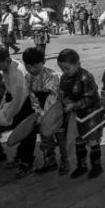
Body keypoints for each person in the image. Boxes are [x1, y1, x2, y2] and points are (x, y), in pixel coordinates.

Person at [0, 45, 35, 177]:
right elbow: (9, 93)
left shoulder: (16, 73)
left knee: (26, 133)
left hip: (27, 104)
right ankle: (20, 157)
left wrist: (5, 115)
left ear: (6, 60)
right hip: (19, 101)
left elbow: (18, 99)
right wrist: (2, 108)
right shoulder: (8, 68)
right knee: (21, 131)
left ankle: (27, 163)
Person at [56, 48, 103, 179]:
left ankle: (96, 166)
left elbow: (90, 98)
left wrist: (74, 105)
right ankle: (81, 166)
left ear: (78, 64)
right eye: (62, 69)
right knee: (78, 140)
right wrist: (64, 100)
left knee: (92, 139)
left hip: (90, 112)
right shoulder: (64, 78)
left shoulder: (85, 77)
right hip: (75, 113)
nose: (64, 72)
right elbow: (62, 92)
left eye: (67, 68)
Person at [23, 46, 62, 174]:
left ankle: (67, 161)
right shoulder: (28, 77)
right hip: (40, 109)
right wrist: (38, 112)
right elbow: (32, 97)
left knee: (61, 136)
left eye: (35, 66)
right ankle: (50, 160)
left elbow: (53, 98)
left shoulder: (52, 76)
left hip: (57, 109)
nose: (31, 70)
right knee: (45, 137)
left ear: (43, 62)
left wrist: (44, 115)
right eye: (28, 67)